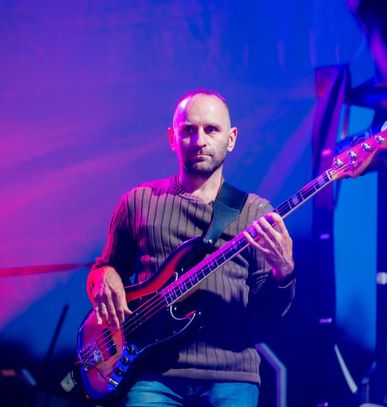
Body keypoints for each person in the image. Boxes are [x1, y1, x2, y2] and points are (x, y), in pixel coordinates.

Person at [87, 90, 296, 406]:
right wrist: (104, 276)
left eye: (211, 129)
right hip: (150, 375)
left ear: (231, 138)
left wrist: (285, 272)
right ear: (172, 138)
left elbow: (270, 312)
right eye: (188, 130)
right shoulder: (138, 201)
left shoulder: (256, 213)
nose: (199, 140)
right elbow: (103, 269)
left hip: (232, 378)